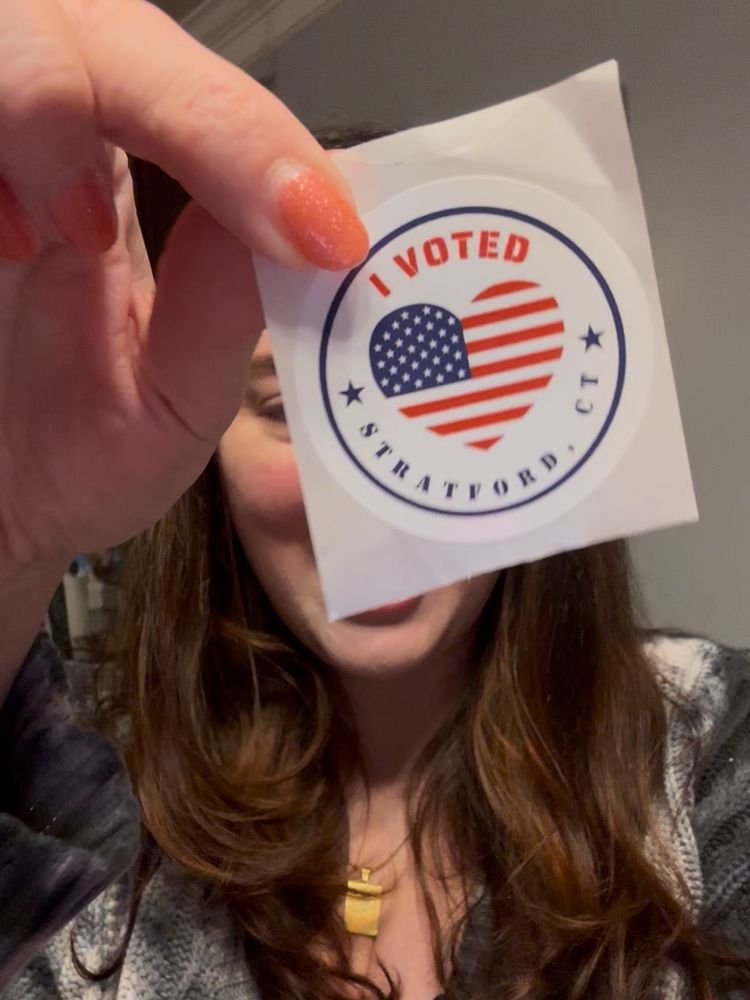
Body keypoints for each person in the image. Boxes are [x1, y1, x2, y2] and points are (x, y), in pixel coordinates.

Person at [0, 2, 748, 998]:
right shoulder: (99, 831)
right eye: (287, 408)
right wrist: (14, 540)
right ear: (210, 458)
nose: (372, 481)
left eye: (439, 404)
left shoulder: (713, 758)